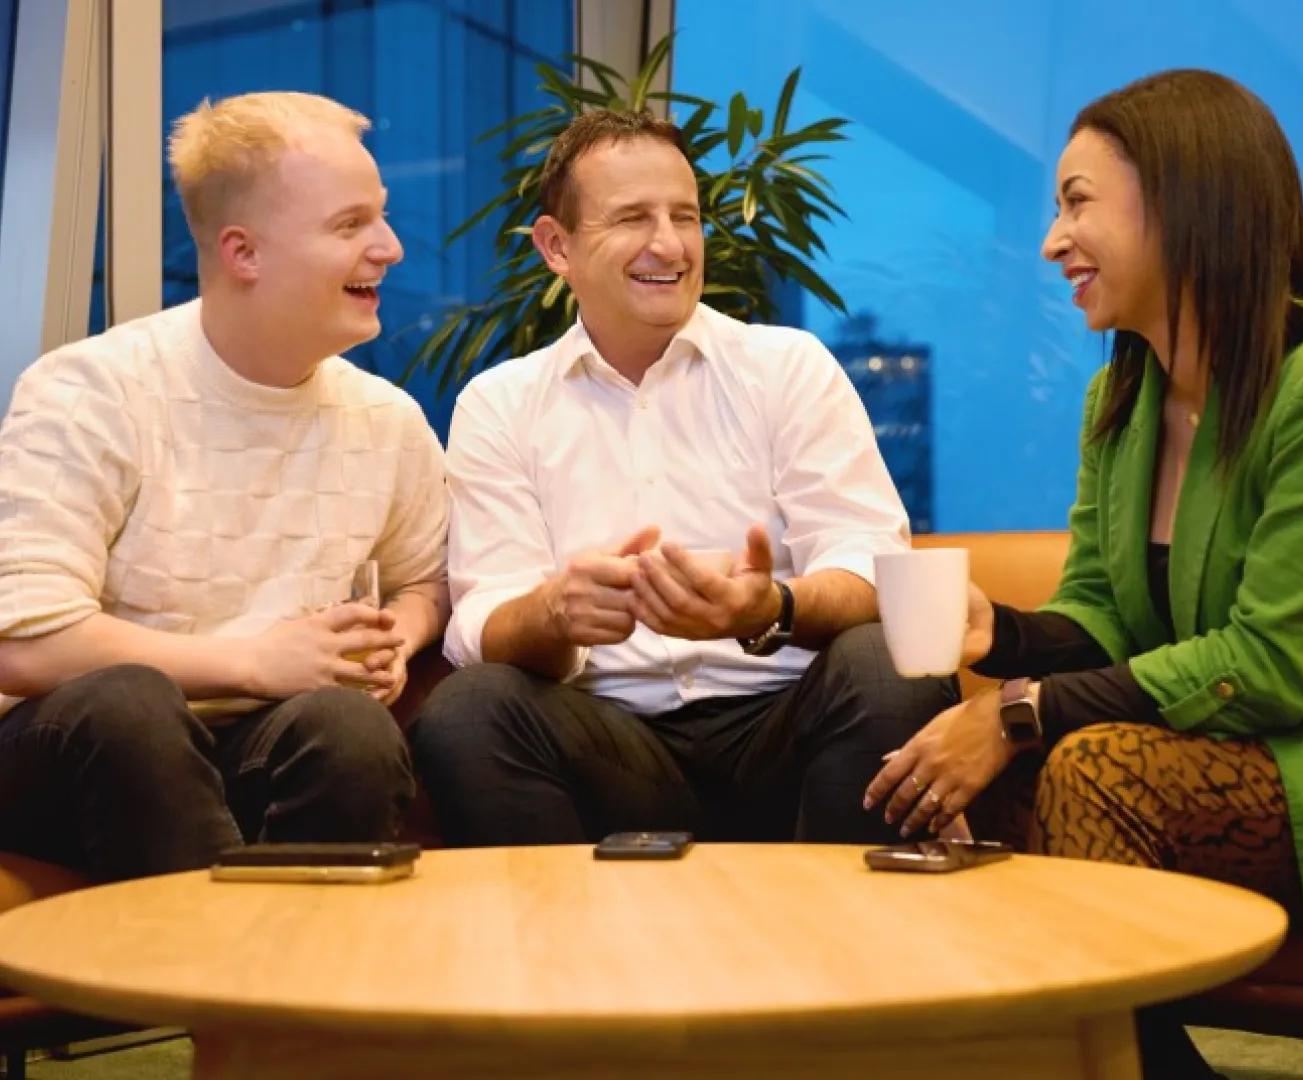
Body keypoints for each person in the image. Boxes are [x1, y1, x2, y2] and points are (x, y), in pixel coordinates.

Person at [863, 67, 1303, 1076]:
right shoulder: (1121, 407)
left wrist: (1011, 710)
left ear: (1184, 200)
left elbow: (1274, 666)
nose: (1051, 242)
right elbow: (1102, 613)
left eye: (1077, 202)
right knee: (948, 779)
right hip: (1245, 736)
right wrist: (995, 632)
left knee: (1095, 768)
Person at [412, 109, 951, 846]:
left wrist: (769, 604)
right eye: (632, 218)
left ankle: (846, 946)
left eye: (685, 216)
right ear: (556, 246)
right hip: (612, 744)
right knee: (468, 709)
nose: (668, 244)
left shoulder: (785, 367)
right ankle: (563, 957)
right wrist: (554, 613)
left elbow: (871, 565)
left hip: (786, 724)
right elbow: (481, 620)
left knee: (893, 660)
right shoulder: (500, 404)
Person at [0, 91, 449, 882]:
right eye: (350, 226)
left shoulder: (388, 420)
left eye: (380, 217)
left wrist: (399, 636)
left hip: (262, 741)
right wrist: (253, 662)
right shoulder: (89, 392)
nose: (390, 248)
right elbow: (23, 641)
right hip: (77, 751)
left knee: (350, 727)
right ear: (243, 252)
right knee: (129, 706)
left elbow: (424, 579)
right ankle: (195, 989)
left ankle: (302, 998)